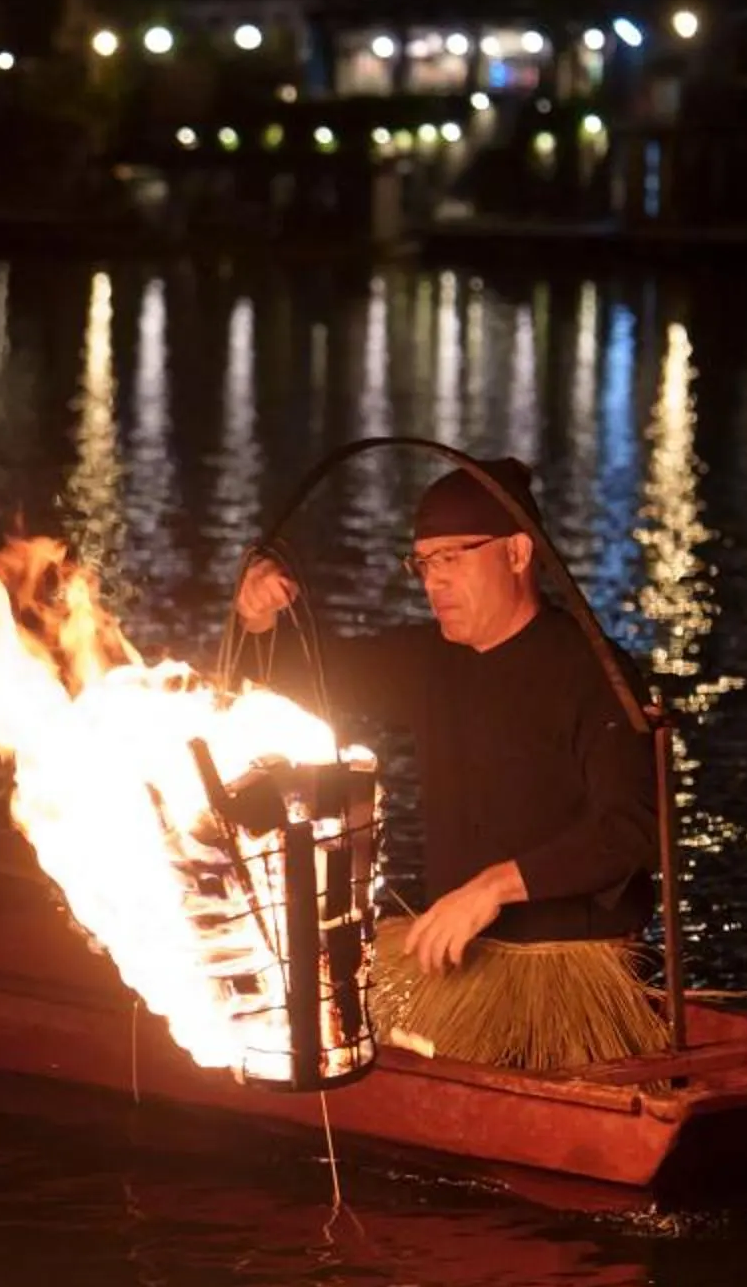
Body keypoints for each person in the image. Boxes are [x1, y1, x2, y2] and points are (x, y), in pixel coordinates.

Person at [233, 456, 666, 1068]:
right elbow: (295, 678)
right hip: (456, 962)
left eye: (453, 559)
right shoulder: (429, 660)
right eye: (424, 563)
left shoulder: (594, 672)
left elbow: (632, 831)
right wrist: (259, 620)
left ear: (517, 554)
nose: (433, 582)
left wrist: (494, 888)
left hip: (562, 971)